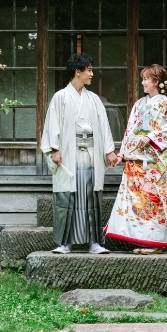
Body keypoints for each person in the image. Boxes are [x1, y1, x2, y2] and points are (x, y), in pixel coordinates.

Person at [41, 52, 119, 254]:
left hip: (91, 155)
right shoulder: (60, 97)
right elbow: (52, 125)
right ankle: (65, 243)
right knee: (68, 197)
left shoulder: (93, 99)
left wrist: (109, 151)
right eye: (89, 70)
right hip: (68, 154)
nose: (92, 74)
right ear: (78, 72)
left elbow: (103, 127)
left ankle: (94, 242)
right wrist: (55, 149)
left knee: (91, 197)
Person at [104, 64, 167, 254]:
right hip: (136, 161)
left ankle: (156, 242)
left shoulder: (165, 104)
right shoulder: (139, 104)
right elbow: (129, 131)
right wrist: (122, 153)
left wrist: (151, 138)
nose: (143, 82)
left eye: (146, 79)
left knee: (154, 201)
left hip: (155, 163)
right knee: (138, 202)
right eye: (143, 79)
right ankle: (144, 241)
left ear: (156, 81)